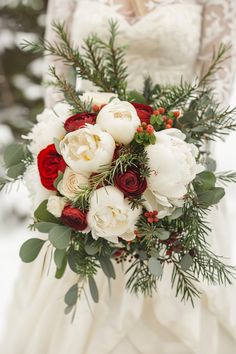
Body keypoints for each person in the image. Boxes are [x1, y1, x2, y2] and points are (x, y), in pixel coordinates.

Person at [1, 1, 236, 353]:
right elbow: (56, 81)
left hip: (177, 168)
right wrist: (77, 163)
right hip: (84, 163)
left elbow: (216, 89)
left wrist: (160, 167)